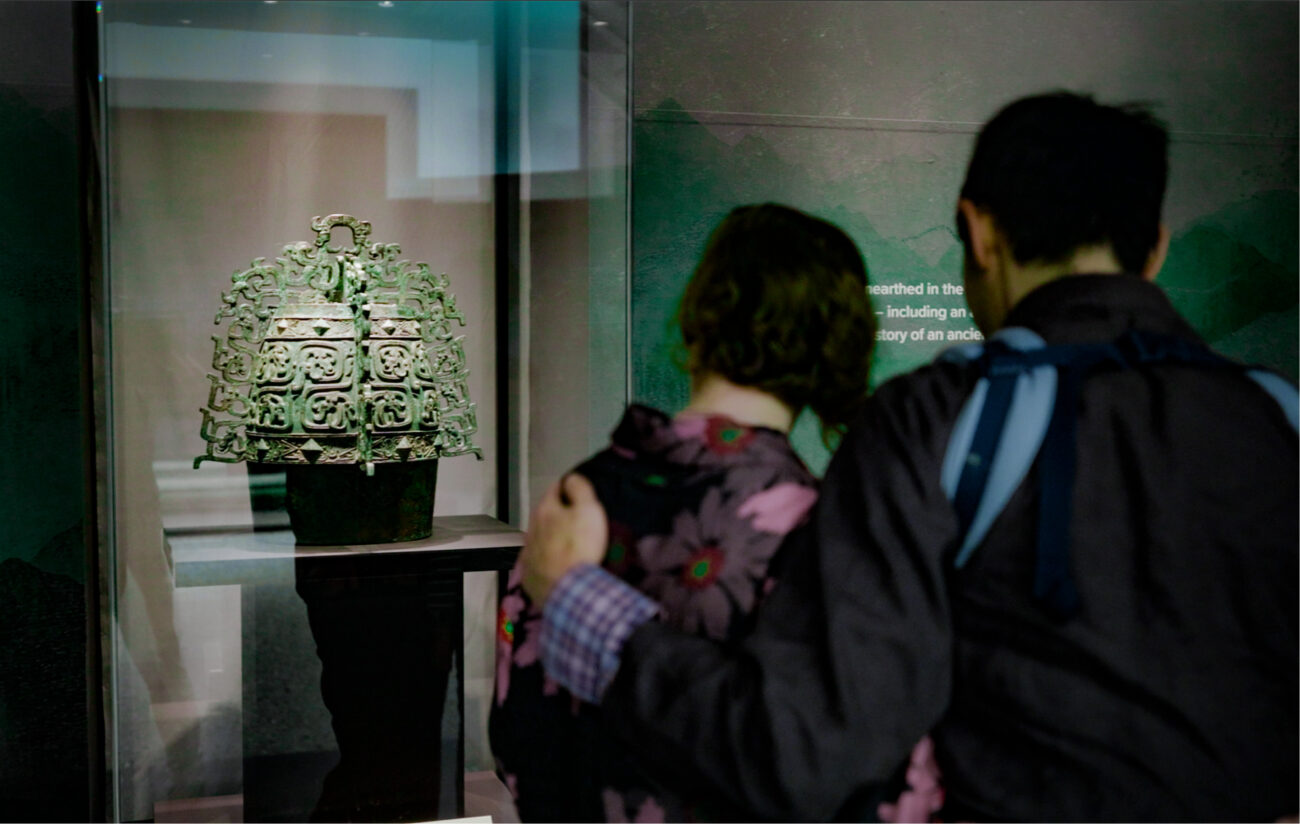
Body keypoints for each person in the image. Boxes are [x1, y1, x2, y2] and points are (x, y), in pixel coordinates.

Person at [518, 92, 1299, 822]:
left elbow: (808, 747)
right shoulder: (1279, 419)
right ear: (1155, 249)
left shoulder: (938, 418)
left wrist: (585, 602)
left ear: (980, 232)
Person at [492, 203, 941, 821]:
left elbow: (517, 732)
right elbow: (856, 775)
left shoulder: (570, 504)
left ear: (699, 318)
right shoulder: (817, 527)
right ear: (837, 348)